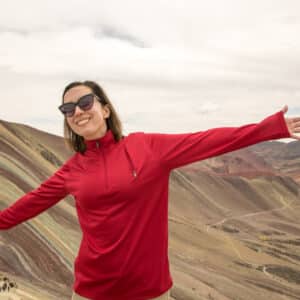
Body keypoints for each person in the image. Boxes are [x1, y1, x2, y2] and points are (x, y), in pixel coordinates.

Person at [1, 80, 300, 300]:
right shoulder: (72, 170)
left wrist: (270, 128)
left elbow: (208, 140)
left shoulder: (147, 147)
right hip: (91, 293)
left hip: (150, 293)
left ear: (105, 109)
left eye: (85, 103)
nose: (77, 111)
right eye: (68, 109)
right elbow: (28, 204)